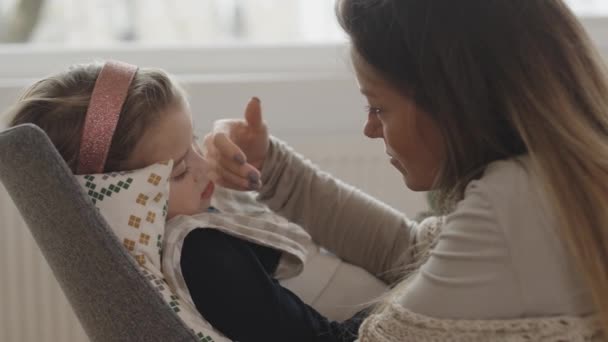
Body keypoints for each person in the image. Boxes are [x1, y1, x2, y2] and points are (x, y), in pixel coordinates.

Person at [203, 0, 608, 340]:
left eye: (378, 107)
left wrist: (218, 264)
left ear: (451, 101)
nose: (370, 128)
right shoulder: (548, 180)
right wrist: (269, 164)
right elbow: (413, 251)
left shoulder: (515, 203)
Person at [4, 61, 384, 342]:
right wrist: (412, 307)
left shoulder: (179, 229)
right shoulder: (200, 255)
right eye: (181, 170)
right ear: (127, 195)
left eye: (193, 144)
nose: (205, 168)